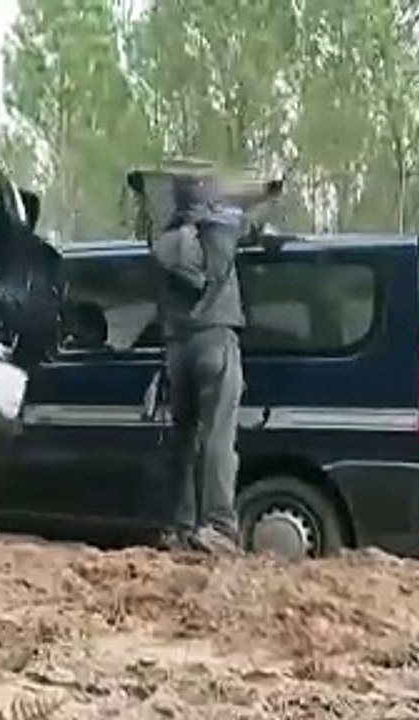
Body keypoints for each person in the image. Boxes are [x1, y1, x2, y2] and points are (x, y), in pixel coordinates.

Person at [154, 173, 262, 556]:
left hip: (178, 349)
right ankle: (218, 525)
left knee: (183, 440)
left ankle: (180, 528)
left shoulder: (165, 239)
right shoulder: (224, 228)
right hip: (216, 340)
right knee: (218, 437)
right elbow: (251, 225)